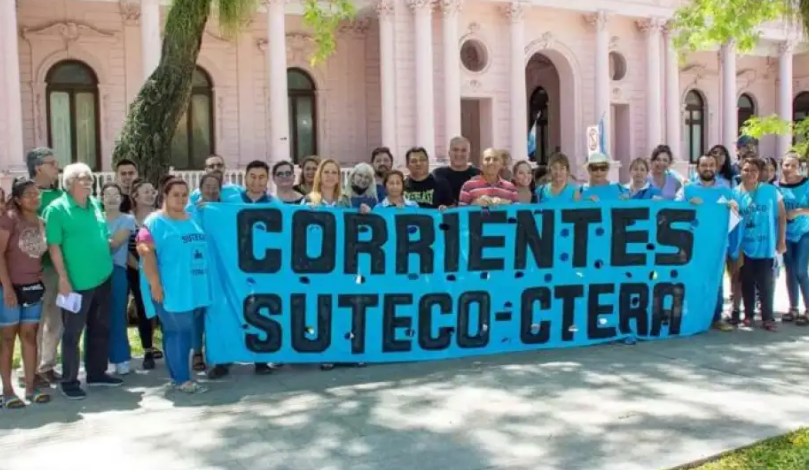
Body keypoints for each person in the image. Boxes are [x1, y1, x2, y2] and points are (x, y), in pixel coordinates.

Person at [45, 163, 121, 400]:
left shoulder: (96, 205)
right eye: (82, 178)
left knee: (100, 328)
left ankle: (97, 373)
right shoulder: (56, 209)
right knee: (72, 333)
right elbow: (54, 247)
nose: (88, 181)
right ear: (69, 183)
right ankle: (69, 380)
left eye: (90, 177)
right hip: (76, 283)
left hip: (103, 277)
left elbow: (102, 236)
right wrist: (64, 279)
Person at [137, 178, 210, 394]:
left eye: (184, 194)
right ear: (165, 197)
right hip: (169, 287)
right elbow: (145, 251)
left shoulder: (194, 217)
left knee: (180, 331)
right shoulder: (154, 222)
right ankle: (181, 379)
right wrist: (155, 284)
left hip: (193, 286)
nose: (180, 198)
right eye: (175, 194)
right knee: (177, 330)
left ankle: (177, 375)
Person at [0, 181, 51, 408]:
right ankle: (8, 391)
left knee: (30, 337)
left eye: (36, 194)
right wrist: (7, 287)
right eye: (28, 195)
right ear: (18, 199)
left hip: (33, 287)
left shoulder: (41, 222)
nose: (34, 198)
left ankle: (31, 387)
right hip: (9, 289)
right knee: (7, 339)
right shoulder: (9, 219)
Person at [675, 154, 738, 332]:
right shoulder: (687, 190)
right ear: (698, 168)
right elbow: (673, 211)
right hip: (692, 246)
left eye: (711, 165)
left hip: (717, 246)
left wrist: (734, 207)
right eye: (704, 165)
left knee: (716, 280)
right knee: (692, 279)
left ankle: (716, 317)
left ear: (716, 168)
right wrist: (686, 204)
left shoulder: (726, 191)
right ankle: (691, 316)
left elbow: (736, 217)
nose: (708, 168)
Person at [732, 157, 787, 331]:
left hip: (766, 246)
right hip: (745, 246)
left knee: (766, 283)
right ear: (741, 171)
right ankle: (748, 315)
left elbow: (782, 216)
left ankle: (768, 318)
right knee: (747, 281)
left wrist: (781, 240)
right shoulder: (736, 193)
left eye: (754, 170)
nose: (750, 174)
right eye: (746, 170)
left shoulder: (771, 191)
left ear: (759, 173)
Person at [26, 148, 62, 386]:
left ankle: (47, 365)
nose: (57, 167)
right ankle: (30, 370)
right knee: (35, 321)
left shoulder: (61, 194)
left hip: (62, 267)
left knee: (57, 320)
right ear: (39, 168)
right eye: (52, 163)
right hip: (38, 269)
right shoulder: (28, 195)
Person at [101, 183, 136, 375]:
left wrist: (89, 240)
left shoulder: (127, 219)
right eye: (107, 194)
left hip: (117, 271)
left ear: (121, 198)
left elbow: (115, 244)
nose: (112, 198)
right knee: (96, 318)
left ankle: (120, 357)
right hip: (94, 271)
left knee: (117, 315)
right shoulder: (95, 218)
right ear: (101, 198)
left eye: (116, 194)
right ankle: (99, 358)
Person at [127, 179, 162, 369]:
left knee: (165, 308)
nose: (150, 194)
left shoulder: (161, 218)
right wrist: (141, 268)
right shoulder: (128, 219)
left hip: (161, 271)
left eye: (152, 190)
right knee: (143, 310)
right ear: (135, 196)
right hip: (135, 271)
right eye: (145, 191)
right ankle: (148, 350)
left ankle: (168, 346)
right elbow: (125, 250)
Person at [778, 153, 809, 325]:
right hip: (786, 234)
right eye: (786, 165)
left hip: (804, 232)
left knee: (800, 271)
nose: (789, 169)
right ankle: (793, 308)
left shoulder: (806, 184)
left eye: (793, 165)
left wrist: (798, 212)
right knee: (790, 271)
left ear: (799, 166)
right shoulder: (778, 187)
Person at [432, 137, 480, 204]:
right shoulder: (437, 174)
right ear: (449, 152)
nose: (459, 154)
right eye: (455, 150)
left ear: (468, 154)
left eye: (463, 150)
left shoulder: (478, 175)